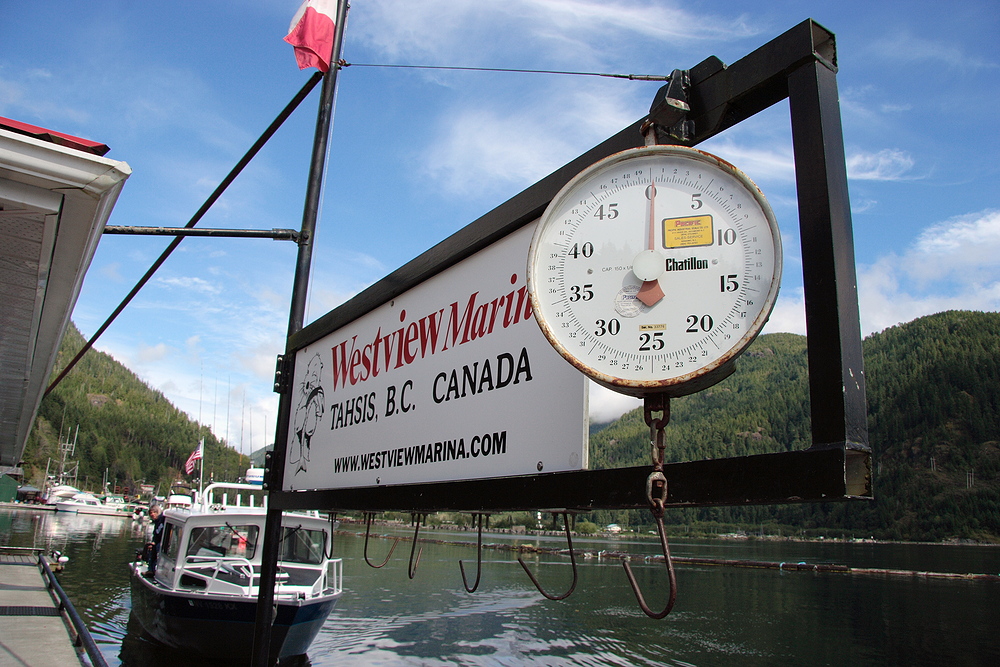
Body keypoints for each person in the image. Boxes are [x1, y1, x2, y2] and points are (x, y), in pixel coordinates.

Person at [144, 504, 165, 578]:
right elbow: (155, 534)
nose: (152, 515)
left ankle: (153, 569)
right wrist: (153, 542)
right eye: (151, 513)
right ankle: (151, 570)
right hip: (158, 541)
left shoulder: (162, 519)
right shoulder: (156, 522)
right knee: (151, 548)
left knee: (157, 549)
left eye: (154, 512)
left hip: (164, 542)